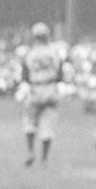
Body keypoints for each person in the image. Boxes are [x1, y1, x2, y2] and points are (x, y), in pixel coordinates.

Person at [19, 22, 67, 167]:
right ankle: (44, 159)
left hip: (35, 89)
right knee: (48, 126)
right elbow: (60, 76)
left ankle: (30, 151)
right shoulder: (55, 52)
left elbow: (25, 76)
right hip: (51, 88)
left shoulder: (29, 53)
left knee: (29, 122)